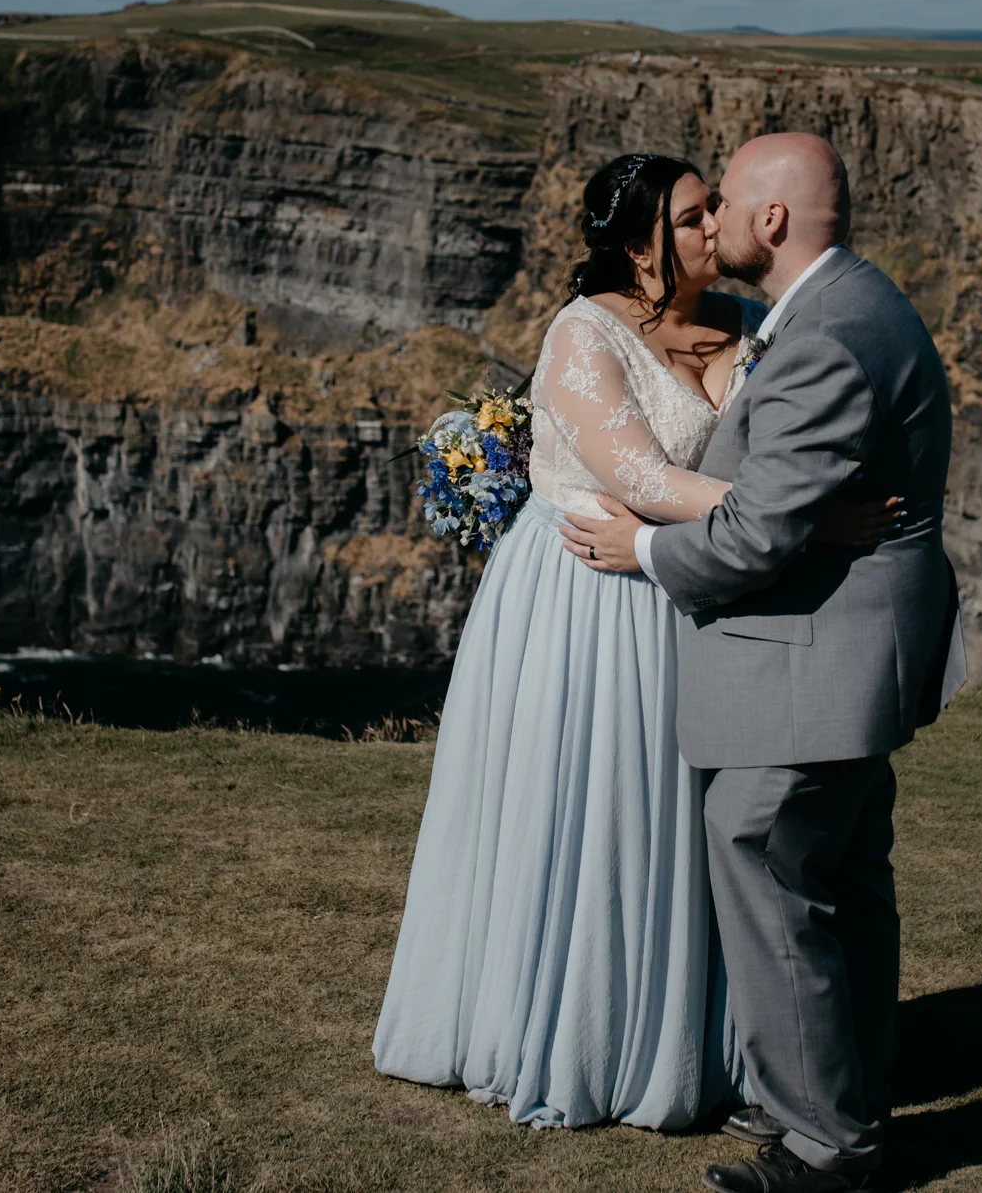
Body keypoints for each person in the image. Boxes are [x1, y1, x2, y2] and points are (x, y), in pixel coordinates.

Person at [372, 152, 896, 1131]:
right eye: (693, 216)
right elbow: (645, 479)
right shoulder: (582, 335)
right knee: (600, 809)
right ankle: (584, 1037)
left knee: (691, 823)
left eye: (714, 208)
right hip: (590, 593)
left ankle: (714, 1040)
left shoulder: (745, 322)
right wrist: (808, 518)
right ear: (639, 245)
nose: (715, 226)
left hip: (693, 587)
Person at [562, 133, 958, 1193]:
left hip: (814, 662)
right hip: (843, 654)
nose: (716, 221)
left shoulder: (825, 334)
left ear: (771, 220)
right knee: (842, 880)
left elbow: (754, 535)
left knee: (770, 862)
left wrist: (642, 550)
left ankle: (829, 1146)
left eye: (726, 201)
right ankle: (842, 1091)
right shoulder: (849, 303)